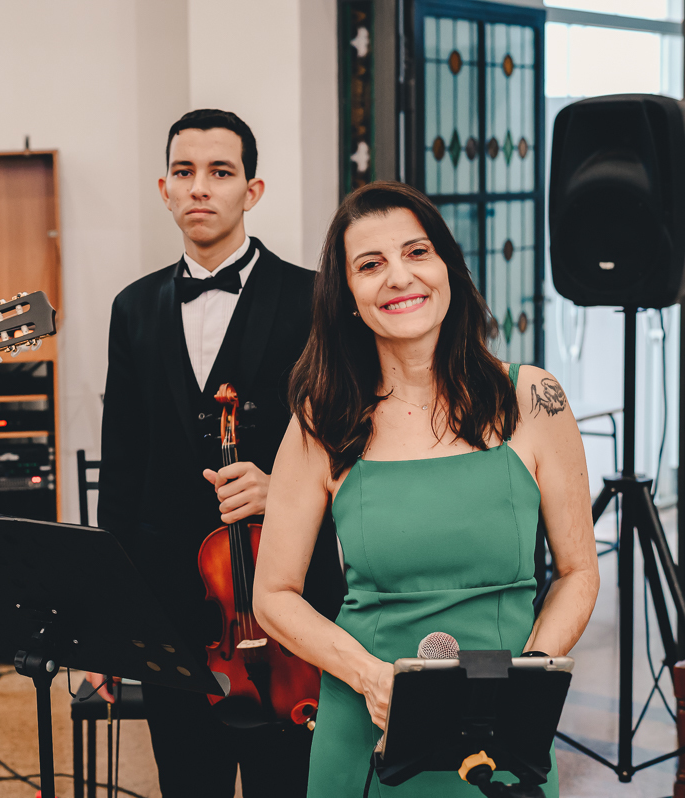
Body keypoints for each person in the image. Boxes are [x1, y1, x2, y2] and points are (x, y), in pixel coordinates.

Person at [252, 181, 600, 796]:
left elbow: (578, 572)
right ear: (347, 297)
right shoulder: (323, 418)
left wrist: (522, 684)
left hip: (501, 726)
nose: (399, 277)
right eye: (370, 265)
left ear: (447, 268)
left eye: (417, 252)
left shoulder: (533, 397)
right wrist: (371, 678)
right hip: (366, 721)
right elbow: (273, 595)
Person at [93, 109, 345, 797]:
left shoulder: (314, 298)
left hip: (285, 608)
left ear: (251, 191)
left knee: (285, 784)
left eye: (220, 172)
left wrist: (284, 487)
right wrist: (109, 623)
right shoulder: (132, 307)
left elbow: (355, 442)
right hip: (171, 609)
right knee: (186, 783)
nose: (199, 187)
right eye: (184, 172)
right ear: (164, 189)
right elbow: (121, 470)